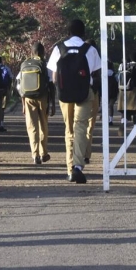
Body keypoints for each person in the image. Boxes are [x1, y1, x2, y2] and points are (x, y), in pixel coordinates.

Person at [47, 19, 103, 184]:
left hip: (65, 95)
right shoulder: (90, 49)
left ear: (68, 33)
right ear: (83, 33)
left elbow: (54, 76)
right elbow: (97, 74)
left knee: (69, 129)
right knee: (81, 127)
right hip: (85, 94)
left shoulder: (58, 48)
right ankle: (77, 166)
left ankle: (69, 168)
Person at [18, 42, 53, 164]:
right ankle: (44, 153)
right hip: (42, 97)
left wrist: (23, 103)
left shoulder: (24, 64)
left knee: (31, 126)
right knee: (43, 125)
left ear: (31, 52)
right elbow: (51, 84)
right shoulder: (44, 65)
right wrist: (52, 102)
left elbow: (20, 85)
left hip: (27, 98)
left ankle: (35, 154)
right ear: (43, 53)